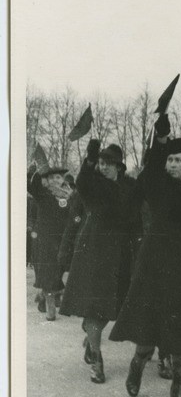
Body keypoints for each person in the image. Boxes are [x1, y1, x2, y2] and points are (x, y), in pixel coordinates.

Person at [109, 114, 181, 397]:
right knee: (149, 331)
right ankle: (138, 363)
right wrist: (162, 138)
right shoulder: (158, 184)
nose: (171, 165)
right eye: (168, 160)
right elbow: (150, 172)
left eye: (177, 160)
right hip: (155, 266)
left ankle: (177, 396)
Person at [59, 140, 137, 384]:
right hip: (94, 251)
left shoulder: (129, 188)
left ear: (119, 167)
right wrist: (90, 158)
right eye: (100, 163)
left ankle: (91, 337)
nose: (103, 167)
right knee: (95, 308)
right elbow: (82, 182)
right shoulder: (93, 184)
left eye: (107, 163)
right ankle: (97, 358)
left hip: (121, 254)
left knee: (114, 307)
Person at [27, 161, 71, 321]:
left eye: (58, 177)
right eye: (51, 177)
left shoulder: (69, 195)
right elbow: (30, 185)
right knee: (49, 272)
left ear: (63, 179)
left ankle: (43, 297)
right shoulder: (43, 194)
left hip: (62, 240)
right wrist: (34, 171)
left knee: (57, 271)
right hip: (45, 240)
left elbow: (76, 215)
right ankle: (50, 310)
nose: (54, 180)